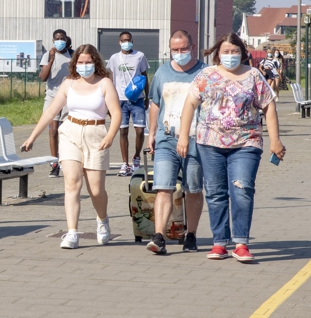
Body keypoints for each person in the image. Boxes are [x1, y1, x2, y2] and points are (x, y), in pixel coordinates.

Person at [176, 33, 285, 263]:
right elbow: (189, 105)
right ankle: (219, 243)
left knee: (242, 189)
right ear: (218, 54)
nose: (230, 56)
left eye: (234, 52)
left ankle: (241, 243)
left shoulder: (254, 75)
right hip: (209, 142)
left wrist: (275, 140)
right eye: (225, 52)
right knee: (216, 192)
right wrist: (183, 137)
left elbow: (269, 107)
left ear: (243, 53)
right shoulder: (206, 75)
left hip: (246, 142)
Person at [23, 45, 121, 249]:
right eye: (81, 62)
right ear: (75, 63)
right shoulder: (68, 83)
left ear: (96, 62)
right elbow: (51, 111)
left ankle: (102, 221)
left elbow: (116, 113)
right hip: (70, 132)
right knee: (72, 182)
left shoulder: (105, 83)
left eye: (88, 62)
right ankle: (72, 232)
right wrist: (32, 137)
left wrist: (111, 135)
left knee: (95, 189)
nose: (84, 66)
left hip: (97, 135)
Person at [145, 30, 205, 254]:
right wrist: (151, 133)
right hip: (166, 139)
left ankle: (191, 235)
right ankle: (159, 235)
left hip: (195, 140)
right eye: (175, 50)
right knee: (163, 187)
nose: (179, 53)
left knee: (193, 189)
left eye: (183, 49)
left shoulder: (204, 72)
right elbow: (155, 104)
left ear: (192, 46)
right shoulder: (162, 72)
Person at [107, 31, 149, 177]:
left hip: (137, 99)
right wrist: (109, 102)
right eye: (123, 40)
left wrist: (147, 97)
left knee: (139, 130)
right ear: (119, 42)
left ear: (132, 41)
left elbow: (144, 77)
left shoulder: (140, 56)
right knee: (123, 131)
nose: (126, 42)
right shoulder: (114, 58)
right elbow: (111, 79)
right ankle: (125, 164)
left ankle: (136, 156)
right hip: (120, 99)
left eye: (128, 40)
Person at [39, 29, 74, 177]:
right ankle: (55, 163)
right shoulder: (48, 55)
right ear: (53, 41)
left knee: (66, 132)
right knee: (53, 130)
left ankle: (68, 161)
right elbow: (43, 77)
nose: (59, 41)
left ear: (66, 39)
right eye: (57, 39)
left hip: (69, 97)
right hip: (52, 97)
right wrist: (51, 60)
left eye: (62, 38)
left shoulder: (72, 55)